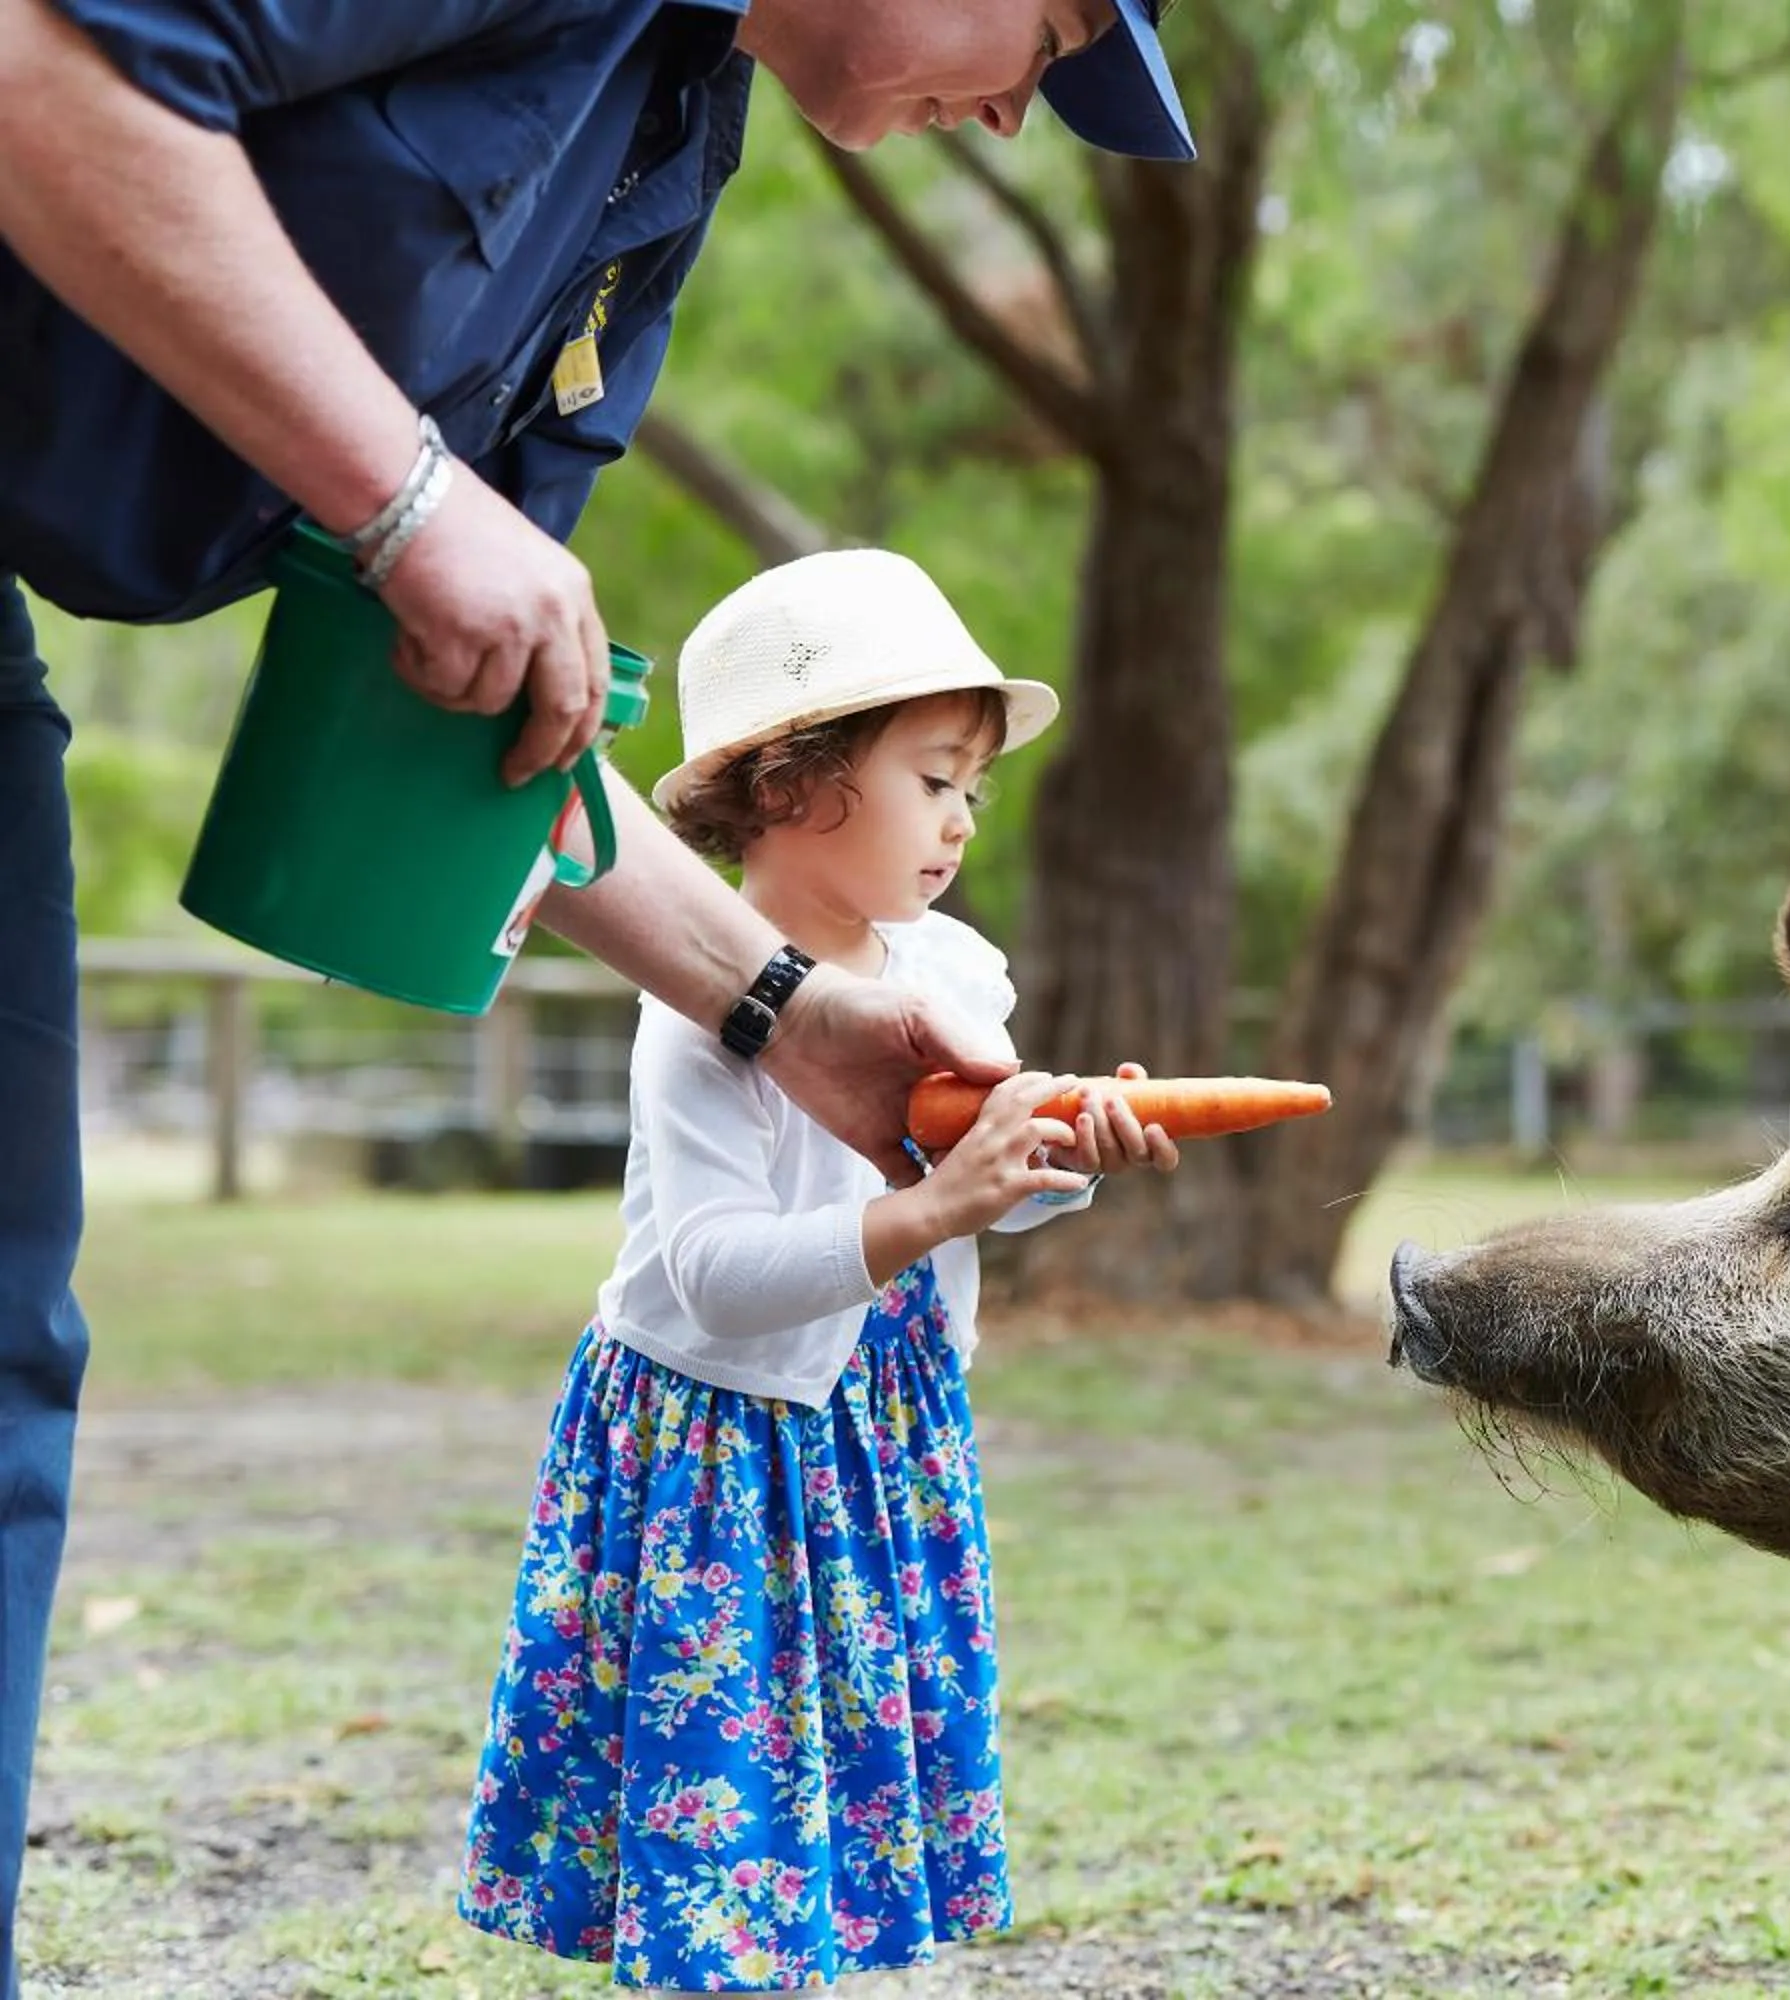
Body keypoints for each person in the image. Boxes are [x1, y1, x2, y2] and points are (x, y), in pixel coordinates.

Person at [0, 0, 1194, 1985]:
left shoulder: (660, 162)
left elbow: (492, 714)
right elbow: (41, 62)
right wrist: (400, 495)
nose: (1021, 107)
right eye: (1052, 22)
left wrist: (786, 1005)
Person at [456, 549, 1174, 1990]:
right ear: (786, 785)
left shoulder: (960, 976)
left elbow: (971, 1190)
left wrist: (1058, 1158)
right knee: (724, 1774)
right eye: (933, 777)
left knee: (840, 1750)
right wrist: (933, 1213)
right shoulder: (698, 1013)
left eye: (974, 784)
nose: (965, 817)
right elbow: (713, 1274)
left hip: (883, 1428)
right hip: (722, 1444)